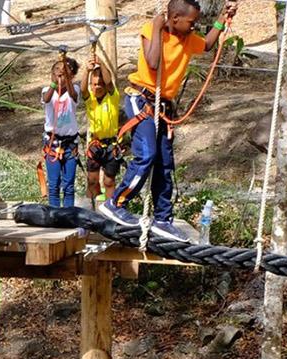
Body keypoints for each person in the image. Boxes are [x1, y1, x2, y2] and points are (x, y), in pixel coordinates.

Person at [98, 0, 236, 240]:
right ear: (173, 19)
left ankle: (162, 218)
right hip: (141, 100)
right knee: (147, 154)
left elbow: (208, 45)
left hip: (163, 107)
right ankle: (116, 203)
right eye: (191, 23)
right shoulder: (153, 31)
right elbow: (153, 63)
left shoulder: (188, 40)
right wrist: (156, 25)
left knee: (164, 163)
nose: (194, 27)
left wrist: (223, 17)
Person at [80, 50, 123, 209]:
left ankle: (111, 209)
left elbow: (109, 81)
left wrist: (101, 63)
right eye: (94, 84)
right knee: (92, 180)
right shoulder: (90, 99)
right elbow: (83, 89)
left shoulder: (112, 97)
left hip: (111, 144)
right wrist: (87, 70)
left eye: (100, 84)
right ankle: (91, 210)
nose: (97, 87)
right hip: (96, 144)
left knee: (109, 181)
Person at [41, 53, 84, 208]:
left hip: (69, 145)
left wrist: (67, 77)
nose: (61, 74)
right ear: (52, 74)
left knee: (69, 185)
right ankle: (54, 214)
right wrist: (54, 83)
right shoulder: (47, 91)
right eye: (57, 71)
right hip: (53, 144)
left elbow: (73, 95)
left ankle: (68, 214)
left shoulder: (75, 90)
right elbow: (46, 99)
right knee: (54, 185)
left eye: (65, 72)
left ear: (71, 76)